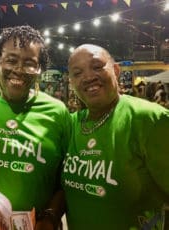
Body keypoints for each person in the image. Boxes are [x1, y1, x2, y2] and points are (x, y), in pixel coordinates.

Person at [0, 25, 71, 229]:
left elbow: (67, 180)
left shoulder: (58, 113)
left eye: (29, 63)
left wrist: (51, 217)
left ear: (39, 70)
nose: (18, 70)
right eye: (11, 60)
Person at [61, 44, 169, 229]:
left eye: (97, 66)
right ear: (71, 82)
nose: (88, 77)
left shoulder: (149, 119)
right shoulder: (70, 124)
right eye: (77, 73)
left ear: (116, 70)